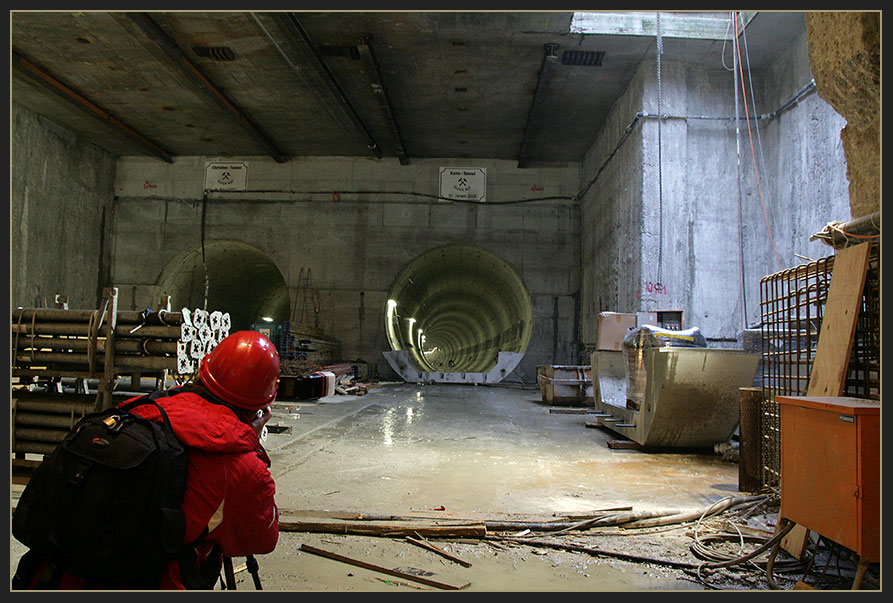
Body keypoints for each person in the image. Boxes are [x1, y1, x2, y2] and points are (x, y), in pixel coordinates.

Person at [13, 330, 282, 590]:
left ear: (205, 372)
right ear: (260, 405)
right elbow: (262, 537)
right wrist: (251, 443)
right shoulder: (242, 465)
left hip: (52, 577)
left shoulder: (145, 407)